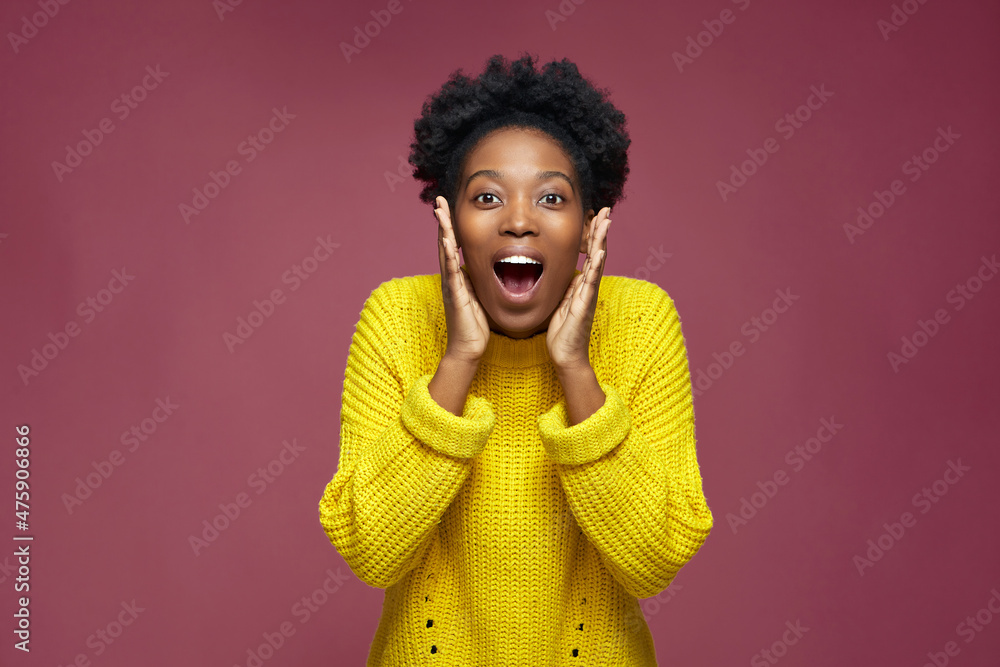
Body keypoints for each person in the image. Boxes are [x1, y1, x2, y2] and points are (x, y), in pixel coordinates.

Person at [318, 52, 713, 666]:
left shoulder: (640, 320)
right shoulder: (396, 315)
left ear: (590, 227)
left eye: (552, 198)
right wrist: (459, 359)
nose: (520, 221)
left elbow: (654, 558)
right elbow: (372, 550)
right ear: (448, 218)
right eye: (488, 197)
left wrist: (576, 370)